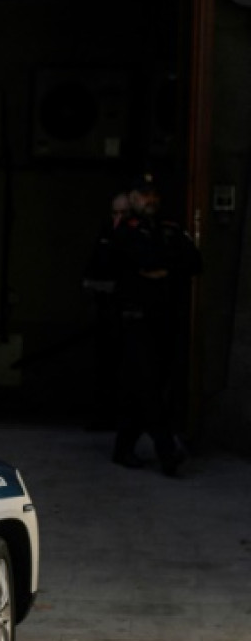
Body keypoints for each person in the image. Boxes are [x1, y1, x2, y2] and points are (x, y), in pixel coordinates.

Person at [110, 176, 202, 477]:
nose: (149, 200)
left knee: (149, 386)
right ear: (132, 198)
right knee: (147, 385)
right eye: (142, 195)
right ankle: (167, 450)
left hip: (166, 319)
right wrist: (160, 265)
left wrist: (163, 268)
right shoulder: (126, 231)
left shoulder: (171, 229)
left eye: (152, 195)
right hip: (136, 320)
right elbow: (140, 259)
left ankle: (123, 448)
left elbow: (194, 262)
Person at [80, 192, 131, 430]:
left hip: (130, 317)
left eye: (124, 213)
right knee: (103, 369)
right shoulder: (105, 236)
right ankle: (102, 416)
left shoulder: (135, 237)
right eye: (115, 213)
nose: (118, 218)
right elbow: (91, 273)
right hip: (106, 316)